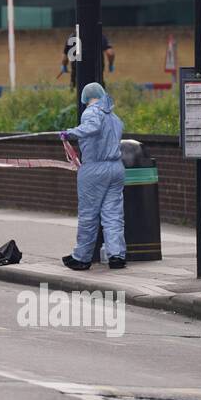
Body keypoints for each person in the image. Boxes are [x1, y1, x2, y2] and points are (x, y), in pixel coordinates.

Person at [61, 81, 126, 271]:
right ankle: (117, 255)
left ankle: (82, 257)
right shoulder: (114, 117)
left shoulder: (91, 112)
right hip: (116, 168)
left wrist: (70, 133)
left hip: (95, 169)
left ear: (85, 98)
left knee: (89, 215)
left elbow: (93, 127)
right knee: (113, 214)